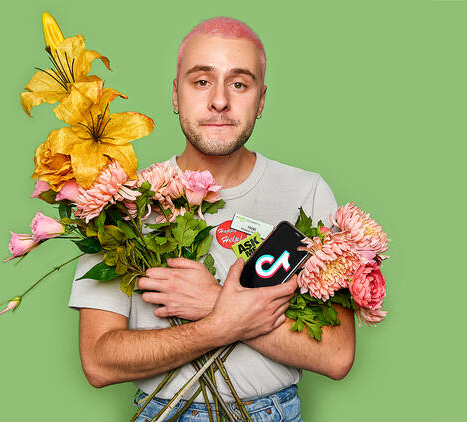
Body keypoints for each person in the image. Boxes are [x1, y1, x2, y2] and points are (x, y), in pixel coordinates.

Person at [68, 16, 356, 422]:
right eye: (201, 81)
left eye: (239, 83)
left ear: (261, 99)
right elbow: (99, 362)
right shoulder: (122, 201)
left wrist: (211, 302)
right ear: (175, 94)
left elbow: (337, 354)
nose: (219, 100)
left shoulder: (307, 193)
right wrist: (219, 323)